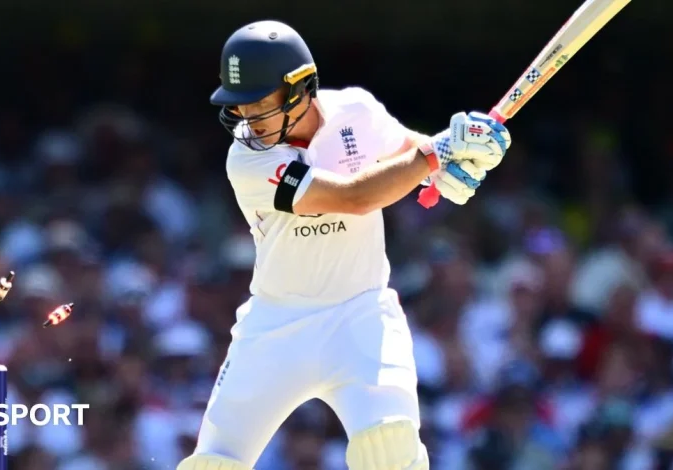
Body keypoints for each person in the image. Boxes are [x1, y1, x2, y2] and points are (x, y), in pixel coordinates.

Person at [177, 20, 511, 470]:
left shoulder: (356, 111)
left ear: (299, 89)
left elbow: (411, 151)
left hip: (361, 317)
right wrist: (437, 154)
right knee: (214, 464)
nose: (246, 119)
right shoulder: (248, 158)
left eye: (259, 104)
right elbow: (354, 197)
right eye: (240, 106)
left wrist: (457, 157)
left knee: (391, 451)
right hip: (277, 327)